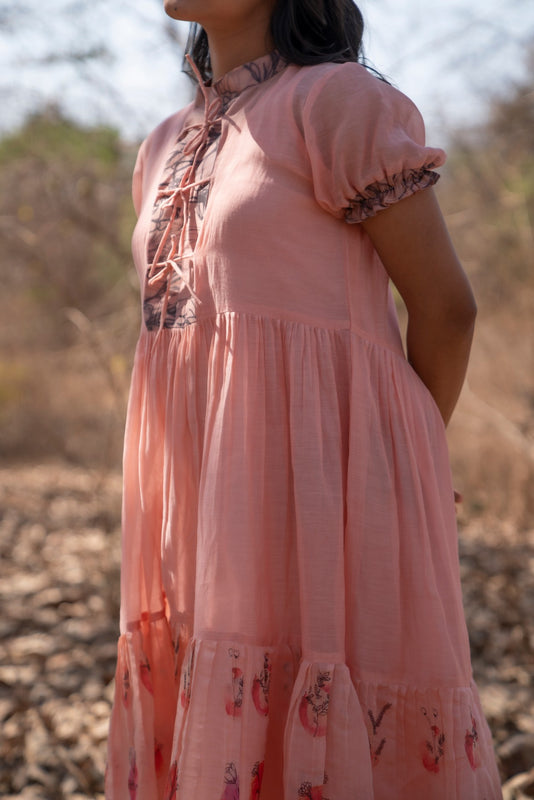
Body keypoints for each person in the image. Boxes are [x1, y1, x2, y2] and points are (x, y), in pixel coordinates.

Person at [105, 1, 504, 798]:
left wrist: (403, 467)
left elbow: (446, 309)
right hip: (204, 508)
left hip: (333, 497)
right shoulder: (162, 144)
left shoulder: (338, 102)